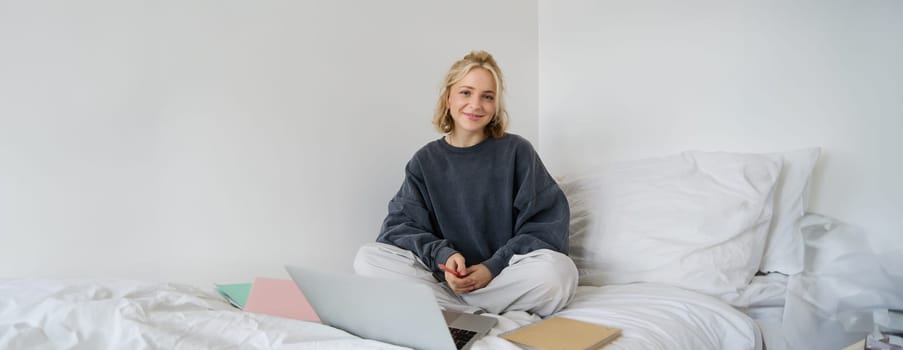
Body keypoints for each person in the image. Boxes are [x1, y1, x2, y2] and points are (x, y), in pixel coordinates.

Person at [353, 50, 577, 317]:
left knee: (559, 273)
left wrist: (492, 267)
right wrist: (443, 257)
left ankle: (449, 313)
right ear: (448, 97)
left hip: (502, 279)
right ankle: (463, 311)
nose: (476, 104)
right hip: (444, 283)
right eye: (466, 92)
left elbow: (546, 227)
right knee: (367, 259)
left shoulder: (517, 152)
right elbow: (399, 227)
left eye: (487, 96)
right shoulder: (425, 161)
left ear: (496, 105)